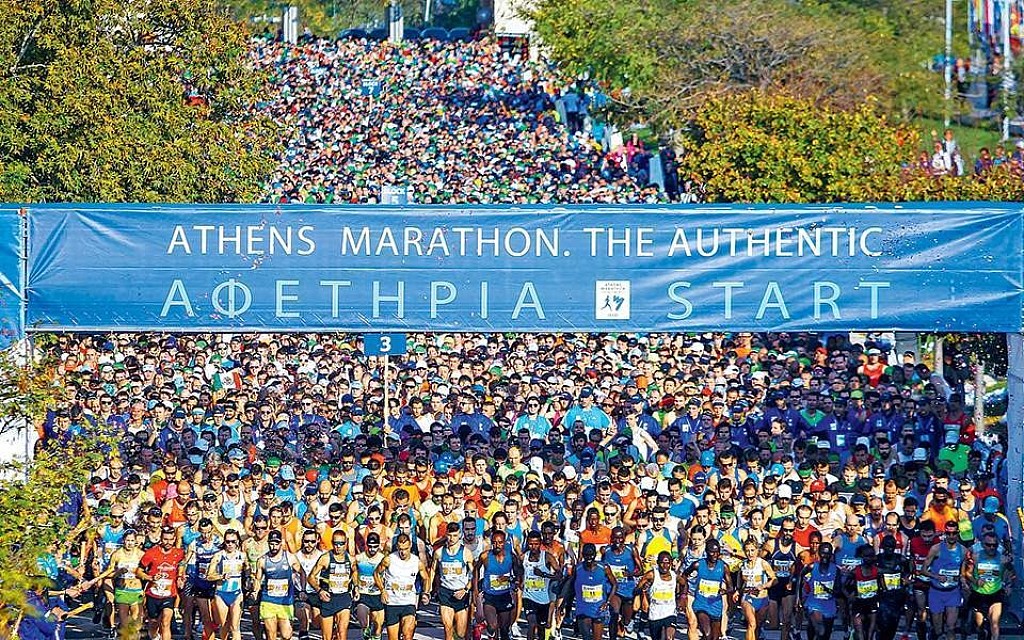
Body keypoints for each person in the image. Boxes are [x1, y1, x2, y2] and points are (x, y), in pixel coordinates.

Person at [375, 533, 431, 640]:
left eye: (406, 549)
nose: (403, 552)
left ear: (410, 546)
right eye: (400, 549)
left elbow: (426, 578)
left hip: (408, 602)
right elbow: (376, 573)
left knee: (407, 635)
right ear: (397, 547)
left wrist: (426, 593)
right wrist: (382, 590)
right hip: (392, 603)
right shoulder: (389, 560)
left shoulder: (417, 562)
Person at [92, 528, 144, 637]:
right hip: (122, 591)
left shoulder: (140, 554)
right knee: (125, 623)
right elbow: (110, 572)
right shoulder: (117, 554)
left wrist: (140, 574)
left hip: (136, 590)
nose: (129, 543)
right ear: (123, 540)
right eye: (127, 540)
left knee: (135, 621)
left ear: (136, 541)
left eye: (132, 541)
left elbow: (147, 571)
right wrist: (118, 572)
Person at [136, 526, 186, 640]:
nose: (168, 542)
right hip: (153, 593)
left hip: (169, 594)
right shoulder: (151, 553)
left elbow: (182, 563)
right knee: (153, 623)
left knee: (165, 622)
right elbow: (138, 571)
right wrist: (150, 578)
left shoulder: (178, 553)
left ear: (174, 539)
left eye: (171, 539)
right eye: (165, 539)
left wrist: (180, 577)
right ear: (161, 538)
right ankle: (154, 636)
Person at [964, 532, 1015, 640]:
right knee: (980, 626)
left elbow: (1012, 574)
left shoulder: (1002, 558)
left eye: (994, 545)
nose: (992, 547)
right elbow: (967, 573)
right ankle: (982, 633)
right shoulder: (976, 557)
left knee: (995, 624)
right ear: (983, 544)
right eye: (988, 545)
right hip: (979, 594)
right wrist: (976, 581)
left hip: (995, 593)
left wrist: (1009, 585)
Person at [254, 530, 304, 640]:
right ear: (268, 543)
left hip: (285, 601)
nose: (274, 546)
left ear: (281, 543)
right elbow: (258, 579)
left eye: (276, 543)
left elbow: (302, 573)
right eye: (271, 543)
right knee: (271, 635)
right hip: (268, 601)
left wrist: (302, 590)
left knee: (286, 635)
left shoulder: (290, 557)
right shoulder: (262, 560)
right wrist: (255, 591)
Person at [921, 521, 966, 640]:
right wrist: (936, 576)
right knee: (938, 629)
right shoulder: (936, 549)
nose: (951, 536)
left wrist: (963, 580)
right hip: (936, 592)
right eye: (948, 533)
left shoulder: (963, 551)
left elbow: (963, 573)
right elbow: (923, 570)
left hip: (953, 592)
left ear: (958, 533)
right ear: (944, 533)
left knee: (951, 627)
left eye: (954, 533)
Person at [308, 529, 355, 640]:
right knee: (327, 637)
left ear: (346, 543)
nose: (338, 546)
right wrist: (319, 591)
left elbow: (355, 573)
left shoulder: (351, 559)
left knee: (342, 634)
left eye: (341, 543)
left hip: (343, 598)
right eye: (335, 543)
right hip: (328, 599)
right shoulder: (325, 558)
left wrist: (356, 587)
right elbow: (310, 577)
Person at [477, 529, 522, 640]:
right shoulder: (485, 556)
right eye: (494, 542)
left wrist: (515, 581)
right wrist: (476, 591)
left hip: (505, 596)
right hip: (490, 596)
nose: (497, 545)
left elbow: (518, 573)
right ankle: (490, 633)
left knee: (504, 629)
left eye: (500, 542)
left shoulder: (511, 557)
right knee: (493, 626)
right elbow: (475, 571)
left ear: (504, 542)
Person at [433, 521, 475, 640]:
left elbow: (474, 574)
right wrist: (428, 590)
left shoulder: (466, 553)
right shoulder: (439, 552)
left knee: (460, 633)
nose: (452, 538)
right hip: (445, 592)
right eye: (450, 535)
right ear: (446, 534)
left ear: (460, 535)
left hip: (461, 594)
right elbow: (432, 571)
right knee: (448, 628)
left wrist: (465, 589)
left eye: (455, 535)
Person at [567, 542, 617, 640]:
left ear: (595, 554)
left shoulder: (604, 568)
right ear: (583, 555)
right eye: (586, 555)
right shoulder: (577, 568)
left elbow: (614, 584)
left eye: (591, 555)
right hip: (583, 608)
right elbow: (571, 587)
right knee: (586, 637)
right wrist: (564, 603)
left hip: (599, 608)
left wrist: (607, 602)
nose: (589, 558)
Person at [683, 538, 731, 640]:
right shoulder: (698, 564)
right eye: (712, 552)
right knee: (707, 633)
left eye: (717, 552)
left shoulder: (724, 567)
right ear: (706, 552)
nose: (715, 555)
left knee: (715, 637)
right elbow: (684, 575)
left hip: (716, 605)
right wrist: (684, 590)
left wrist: (724, 591)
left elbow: (731, 587)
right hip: (701, 604)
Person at [183, 518, 221, 640]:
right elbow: (185, 561)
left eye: (208, 532)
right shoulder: (195, 543)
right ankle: (194, 635)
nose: (206, 535)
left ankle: (214, 629)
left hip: (215, 581)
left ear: (212, 529)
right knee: (205, 616)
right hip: (200, 581)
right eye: (203, 532)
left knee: (218, 616)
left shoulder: (219, 541)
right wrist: (181, 574)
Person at [600, 527, 640, 640]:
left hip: (628, 588)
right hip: (613, 588)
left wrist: (630, 573)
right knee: (614, 613)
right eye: (615, 538)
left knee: (627, 619)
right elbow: (601, 568)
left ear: (624, 538)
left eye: (620, 538)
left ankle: (622, 623)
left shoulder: (631, 550)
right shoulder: (606, 551)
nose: (617, 541)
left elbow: (641, 570)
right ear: (611, 538)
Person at [205, 528, 246, 640]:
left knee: (235, 627)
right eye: (228, 541)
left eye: (233, 541)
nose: (230, 544)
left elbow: (249, 572)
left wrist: (250, 579)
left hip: (237, 593)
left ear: (237, 541)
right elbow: (209, 576)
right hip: (221, 593)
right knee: (224, 625)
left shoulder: (242, 556)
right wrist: (220, 576)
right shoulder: (218, 556)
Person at [764, 516, 801, 640]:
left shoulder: (797, 547)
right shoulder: (771, 544)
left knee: (786, 619)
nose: (787, 533)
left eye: (790, 530)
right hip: (774, 586)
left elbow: (806, 564)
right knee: (773, 623)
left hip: (788, 587)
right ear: (781, 529)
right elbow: (759, 559)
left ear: (794, 530)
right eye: (785, 530)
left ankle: (785, 637)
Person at [635, 551, 685, 640]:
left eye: (667, 563)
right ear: (658, 563)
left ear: (671, 563)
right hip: (655, 613)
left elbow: (684, 584)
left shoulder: (675, 576)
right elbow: (637, 589)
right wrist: (643, 589)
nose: (665, 566)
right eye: (662, 563)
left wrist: (681, 597)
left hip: (670, 612)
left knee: (669, 638)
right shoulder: (651, 575)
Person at [520, 530, 560, 640]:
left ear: (540, 543)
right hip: (528, 597)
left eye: (536, 544)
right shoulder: (523, 557)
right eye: (531, 544)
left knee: (541, 628)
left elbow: (559, 575)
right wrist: (519, 581)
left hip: (543, 599)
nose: (533, 547)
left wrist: (543, 574)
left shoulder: (547, 557)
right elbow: (518, 571)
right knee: (532, 624)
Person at [797, 541, 838, 640]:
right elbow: (800, 578)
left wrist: (830, 591)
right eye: (823, 553)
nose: (825, 556)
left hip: (829, 604)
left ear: (831, 555)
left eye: (827, 554)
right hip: (813, 602)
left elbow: (838, 589)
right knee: (819, 628)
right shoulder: (811, 567)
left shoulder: (835, 569)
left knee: (826, 633)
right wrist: (798, 599)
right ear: (819, 553)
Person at [738, 537, 776, 640]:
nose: (750, 553)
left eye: (752, 550)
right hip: (748, 597)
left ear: (757, 550)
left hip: (762, 598)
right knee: (751, 624)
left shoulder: (763, 563)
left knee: (758, 626)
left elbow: (774, 579)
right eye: (747, 551)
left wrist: (763, 586)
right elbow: (740, 581)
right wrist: (737, 591)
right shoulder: (743, 564)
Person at [874, 535, 910, 640]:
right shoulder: (877, 559)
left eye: (891, 547)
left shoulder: (901, 559)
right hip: (881, 596)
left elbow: (908, 571)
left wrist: (905, 580)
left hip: (896, 596)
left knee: (893, 623)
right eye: (887, 546)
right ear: (882, 546)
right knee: (882, 624)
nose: (889, 549)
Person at [354, 532, 386, 640]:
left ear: (379, 545)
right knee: (364, 624)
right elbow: (354, 572)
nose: (372, 549)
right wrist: (356, 587)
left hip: (377, 595)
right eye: (370, 546)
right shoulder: (359, 558)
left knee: (377, 629)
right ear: (366, 544)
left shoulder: (383, 558)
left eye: (375, 546)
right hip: (364, 594)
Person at [845, 545, 880, 640]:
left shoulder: (877, 571)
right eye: (866, 556)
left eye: (871, 556)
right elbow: (844, 587)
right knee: (859, 632)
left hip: (872, 604)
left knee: (870, 634)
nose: (868, 559)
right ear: (862, 557)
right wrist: (849, 596)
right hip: (858, 605)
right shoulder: (855, 572)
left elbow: (882, 586)